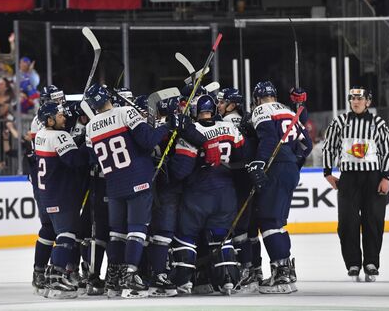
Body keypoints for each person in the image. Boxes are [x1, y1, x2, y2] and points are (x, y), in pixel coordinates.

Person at [84, 83, 178, 298]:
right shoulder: (125, 112)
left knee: (117, 233)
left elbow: (93, 159)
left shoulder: (90, 126)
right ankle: (131, 275)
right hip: (137, 178)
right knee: (137, 229)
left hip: (113, 184)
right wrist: (167, 126)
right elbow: (147, 141)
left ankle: (115, 279)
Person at [170, 94, 248, 295]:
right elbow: (242, 158)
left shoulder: (192, 131)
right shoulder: (231, 129)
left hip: (199, 192)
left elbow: (181, 171)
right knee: (221, 236)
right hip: (226, 193)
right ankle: (228, 280)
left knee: (186, 235)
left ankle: (185, 281)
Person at [322, 86, 389, 282]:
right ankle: (353, 263)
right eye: (352, 98)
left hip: (373, 178)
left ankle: (371, 262)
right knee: (347, 222)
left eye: (359, 99)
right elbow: (329, 147)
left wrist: (386, 177)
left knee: (373, 221)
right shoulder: (340, 122)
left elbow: (387, 150)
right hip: (348, 178)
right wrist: (328, 173)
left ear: (368, 102)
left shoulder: (378, 122)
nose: (355, 102)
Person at [248, 81, 311, 294]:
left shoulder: (260, 110)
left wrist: (259, 162)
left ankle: (282, 274)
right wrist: (294, 162)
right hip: (290, 168)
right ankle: (286, 271)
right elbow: (307, 145)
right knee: (278, 221)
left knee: (269, 221)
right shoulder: (287, 110)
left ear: (257, 97)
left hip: (274, 168)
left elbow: (269, 139)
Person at [34, 101, 89, 299]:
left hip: (47, 193)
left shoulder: (41, 134)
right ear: (49, 120)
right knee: (67, 236)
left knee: (55, 234)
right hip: (62, 194)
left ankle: (46, 275)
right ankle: (57, 276)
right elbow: (75, 160)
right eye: (59, 116)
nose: (64, 118)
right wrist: (89, 142)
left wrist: (78, 138)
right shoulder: (59, 135)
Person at [28, 85, 65, 296]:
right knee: (51, 227)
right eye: (56, 101)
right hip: (48, 182)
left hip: (47, 181)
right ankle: (42, 271)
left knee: (52, 228)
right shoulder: (43, 122)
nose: (61, 104)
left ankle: (42, 271)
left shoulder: (49, 118)